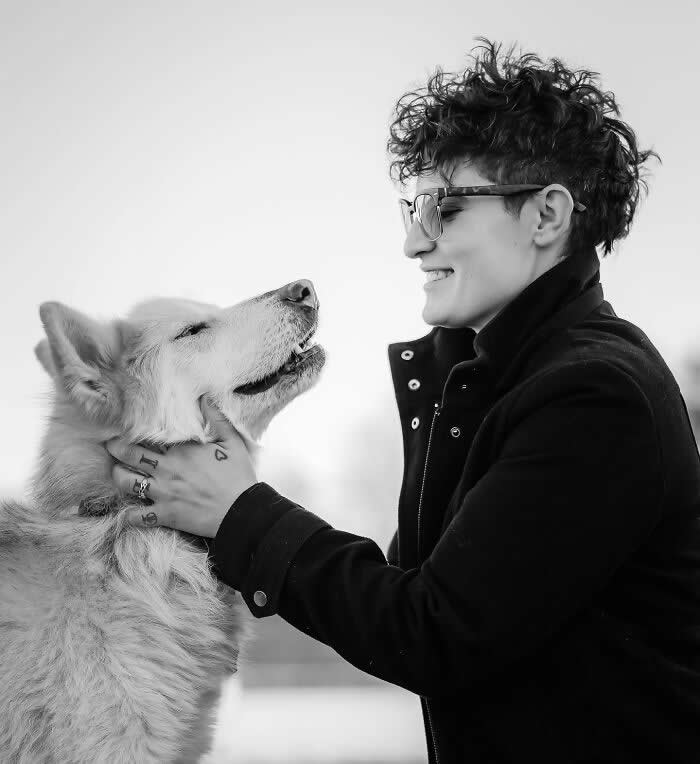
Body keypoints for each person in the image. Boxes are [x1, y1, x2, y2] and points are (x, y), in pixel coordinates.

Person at [104, 38, 700, 764]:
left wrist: (240, 514)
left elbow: (433, 630)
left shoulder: (595, 398)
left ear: (546, 216)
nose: (415, 242)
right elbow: (397, 596)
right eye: (413, 208)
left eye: (445, 207)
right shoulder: (491, 383)